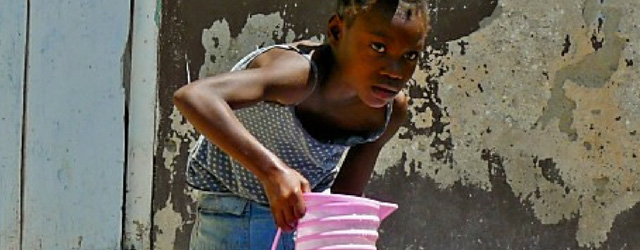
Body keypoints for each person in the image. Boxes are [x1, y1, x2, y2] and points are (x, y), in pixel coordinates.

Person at [173, 0, 430, 249]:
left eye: (410, 55)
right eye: (378, 47)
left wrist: (346, 235)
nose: (394, 71)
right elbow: (195, 96)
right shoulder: (297, 76)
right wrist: (272, 172)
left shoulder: (387, 111)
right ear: (337, 31)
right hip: (234, 217)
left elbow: (345, 196)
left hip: (307, 224)